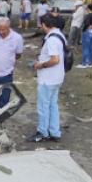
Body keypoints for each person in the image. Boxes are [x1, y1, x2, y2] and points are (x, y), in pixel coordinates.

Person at [28, 15, 66, 143]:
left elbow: (55, 59)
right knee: (52, 105)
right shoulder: (59, 35)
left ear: (44, 24)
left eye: (41, 24)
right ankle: (54, 132)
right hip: (57, 77)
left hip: (48, 78)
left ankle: (43, 132)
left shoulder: (51, 40)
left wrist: (41, 65)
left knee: (44, 106)